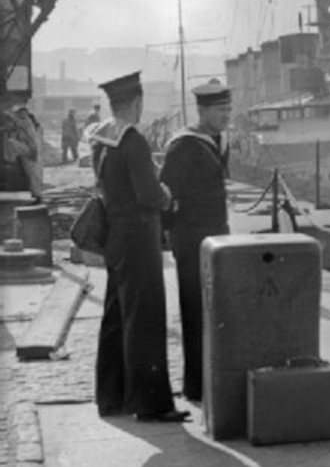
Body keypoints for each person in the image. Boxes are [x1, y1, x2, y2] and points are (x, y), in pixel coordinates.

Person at [86, 71, 188, 424]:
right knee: (145, 318)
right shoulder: (134, 141)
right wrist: (167, 195)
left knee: (116, 317)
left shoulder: (100, 139)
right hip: (140, 239)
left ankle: (111, 398)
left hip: (115, 237)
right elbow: (148, 195)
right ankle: (151, 404)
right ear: (138, 103)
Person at [159, 80, 232, 405]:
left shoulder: (218, 140)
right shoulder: (184, 145)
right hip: (190, 240)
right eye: (220, 110)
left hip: (217, 238)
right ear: (202, 110)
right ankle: (195, 385)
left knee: (217, 311)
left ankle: (214, 378)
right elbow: (165, 193)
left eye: (228, 110)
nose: (226, 116)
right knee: (193, 312)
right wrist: (169, 233)